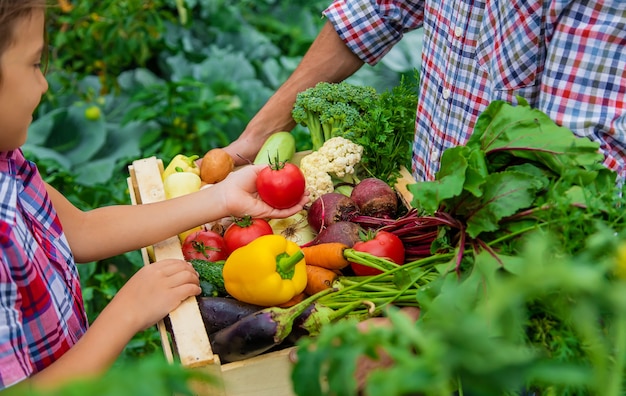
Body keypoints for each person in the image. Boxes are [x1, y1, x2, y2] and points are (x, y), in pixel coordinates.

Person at [0, 1, 307, 391]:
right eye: (33, 64)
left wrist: (221, 199)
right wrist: (126, 313)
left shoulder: (8, 162)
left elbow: (80, 229)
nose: (44, 83)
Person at [223, 1, 626, 181]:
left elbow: (575, 168)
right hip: (422, 208)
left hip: (507, 261)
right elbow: (377, 9)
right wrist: (257, 136)